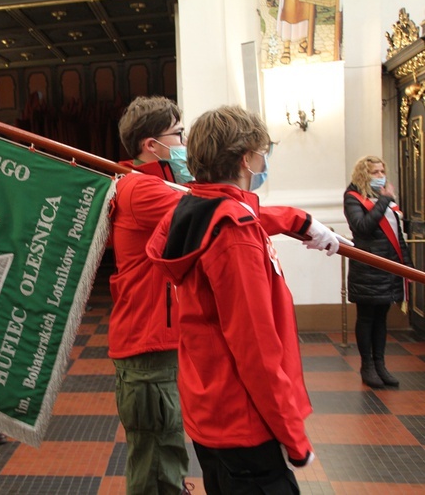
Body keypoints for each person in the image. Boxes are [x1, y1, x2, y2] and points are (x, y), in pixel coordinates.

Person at [111, 97, 338, 494]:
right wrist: (294, 437)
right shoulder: (166, 199)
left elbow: (214, 208)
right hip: (229, 405)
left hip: (209, 398)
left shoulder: (207, 211)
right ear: (246, 159)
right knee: (156, 466)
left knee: (174, 463)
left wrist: (294, 222)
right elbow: (255, 345)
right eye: (175, 134)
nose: (180, 142)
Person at [344, 155, 413, 388]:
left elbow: (398, 235)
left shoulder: (384, 199)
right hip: (368, 268)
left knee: (381, 319)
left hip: (389, 266)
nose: (380, 176)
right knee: (366, 317)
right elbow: (363, 227)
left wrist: (406, 264)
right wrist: (384, 201)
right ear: (364, 173)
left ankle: (380, 364)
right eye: (375, 172)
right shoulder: (353, 197)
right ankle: (367, 367)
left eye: (382, 171)